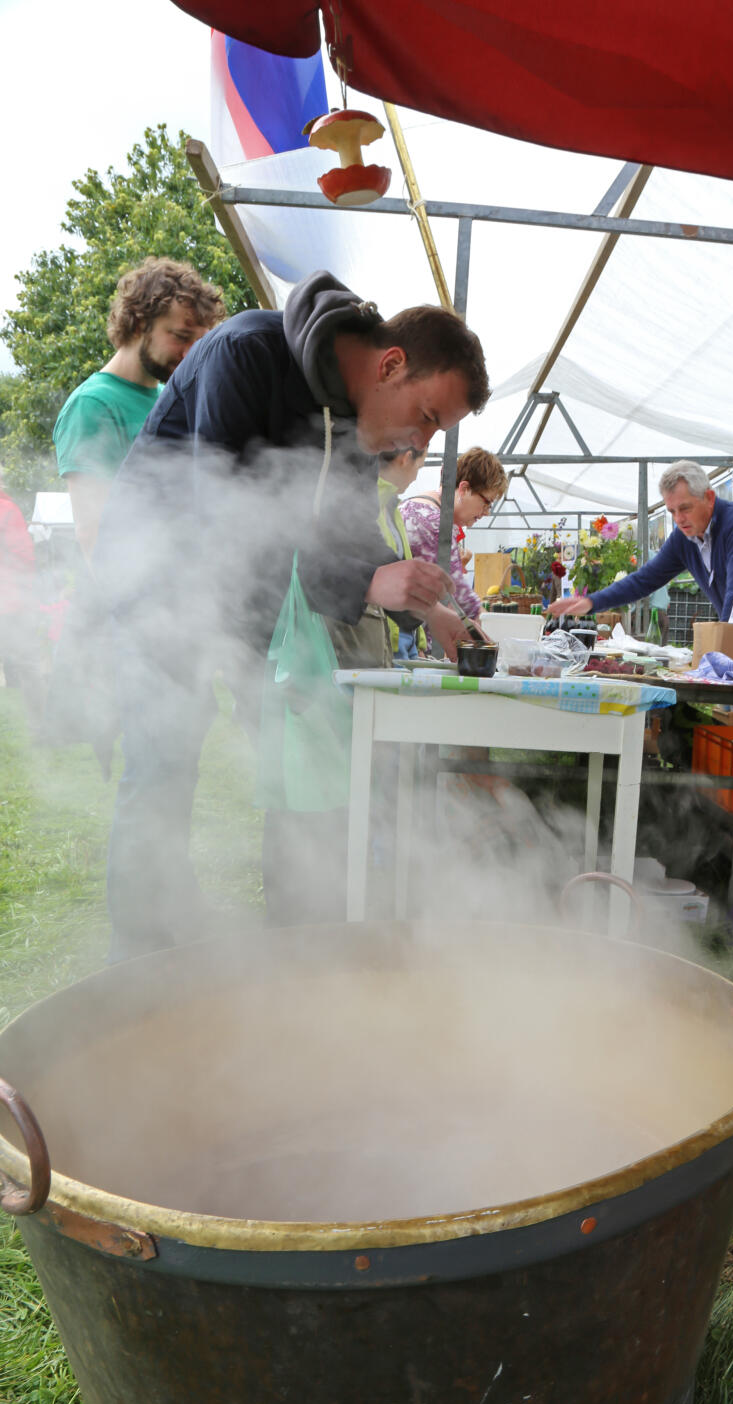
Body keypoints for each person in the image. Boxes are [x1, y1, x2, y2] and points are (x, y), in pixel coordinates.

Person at [93, 269, 489, 961]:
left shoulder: (349, 420)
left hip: (253, 599)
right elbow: (226, 516)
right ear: (391, 364)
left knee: (299, 751)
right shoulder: (246, 352)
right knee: (164, 762)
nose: (416, 440)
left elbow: (343, 537)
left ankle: (299, 943)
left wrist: (433, 614)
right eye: (426, 415)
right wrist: (370, 579)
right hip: (160, 582)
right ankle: (142, 966)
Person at [47, 258, 225, 766]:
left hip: (180, 621)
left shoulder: (168, 400)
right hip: (143, 626)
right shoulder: (93, 405)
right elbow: (96, 534)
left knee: (175, 773)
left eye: (199, 342)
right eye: (180, 336)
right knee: (154, 778)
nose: (190, 354)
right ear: (139, 322)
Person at [549, 459, 733, 726]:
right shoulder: (684, 538)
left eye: (685, 508)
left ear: (709, 497)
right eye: (672, 511)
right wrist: (591, 602)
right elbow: (645, 579)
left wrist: (714, 659)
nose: (679, 519)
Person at [401, 446, 508, 646]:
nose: (486, 513)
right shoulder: (435, 523)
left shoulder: (413, 506)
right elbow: (460, 598)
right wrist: (496, 638)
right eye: (486, 503)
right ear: (464, 489)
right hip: (413, 642)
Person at [377, 445, 428, 659]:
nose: (416, 477)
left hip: (404, 638)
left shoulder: (392, 508)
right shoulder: (370, 506)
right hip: (382, 639)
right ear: (406, 459)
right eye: (420, 466)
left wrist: (420, 641)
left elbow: (403, 568)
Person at [0, 470, 42, 719]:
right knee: (24, 660)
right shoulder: (6, 509)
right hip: (11, 599)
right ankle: (37, 722)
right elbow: (26, 555)